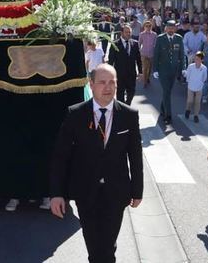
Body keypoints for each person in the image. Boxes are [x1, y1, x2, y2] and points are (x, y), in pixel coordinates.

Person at [50, 64, 143, 263]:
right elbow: (61, 156)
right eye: (102, 82)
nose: (107, 87)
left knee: (107, 246)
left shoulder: (129, 115)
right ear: (91, 85)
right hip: (85, 192)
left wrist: (137, 191)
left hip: (117, 192)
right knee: (93, 246)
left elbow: (135, 155)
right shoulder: (75, 114)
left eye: (112, 82)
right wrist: (57, 193)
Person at [152, 20, 185, 124]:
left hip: (174, 70)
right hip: (163, 70)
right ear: (166, 28)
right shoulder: (160, 38)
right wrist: (155, 69)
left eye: (173, 27)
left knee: (167, 92)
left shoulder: (179, 38)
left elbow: (181, 54)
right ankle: (168, 115)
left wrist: (183, 68)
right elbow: (156, 54)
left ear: (175, 28)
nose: (171, 29)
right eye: (169, 27)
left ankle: (162, 109)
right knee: (166, 91)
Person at [108, 25, 141, 105]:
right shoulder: (114, 44)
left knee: (132, 92)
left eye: (129, 32)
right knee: (120, 94)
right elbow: (111, 61)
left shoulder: (135, 44)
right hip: (119, 74)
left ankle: (127, 105)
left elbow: (138, 59)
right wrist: (109, 74)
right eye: (126, 32)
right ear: (122, 33)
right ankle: (121, 110)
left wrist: (140, 72)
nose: (128, 34)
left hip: (131, 74)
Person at [184, 51, 208, 123]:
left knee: (197, 102)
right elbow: (188, 75)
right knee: (190, 100)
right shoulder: (191, 66)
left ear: (202, 60)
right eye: (196, 58)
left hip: (199, 87)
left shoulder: (204, 68)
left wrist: (201, 83)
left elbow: (204, 78)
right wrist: (189, 82)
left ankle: (196, 115)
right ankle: (188, 110)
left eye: (198, 59)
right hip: (191, 86)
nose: (196, 60)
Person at [138, 20, 157, 87]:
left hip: (151, 53)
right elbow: (139, 43)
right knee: (145, 68)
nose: (148, 27)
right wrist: (139, 50)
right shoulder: (141, 34)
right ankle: (145, 81)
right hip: (144, 53)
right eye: (147, 26)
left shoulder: (154, 34)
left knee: (150, 68)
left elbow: (155, 44)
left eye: (149, 26)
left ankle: (148, 77)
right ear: (144, 27)